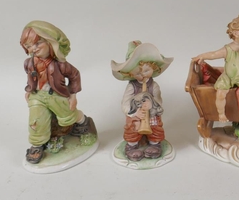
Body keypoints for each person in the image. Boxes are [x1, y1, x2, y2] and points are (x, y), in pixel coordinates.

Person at [20, 21, 93, 164]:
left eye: (38, 43)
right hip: (37, 95)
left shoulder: (60, 64)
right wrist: (29, 90)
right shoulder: (29, 63)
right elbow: (31, 77)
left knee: (67, 117)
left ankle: (83, 122)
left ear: (50, 42)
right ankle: (37, 145)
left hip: (56, 94)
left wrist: (73, 96)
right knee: (35, 120)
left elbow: (75, 75)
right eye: (29, 46)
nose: (34, 49)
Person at [111, 41, 173, 161]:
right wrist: (134, 112)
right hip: (137, 115)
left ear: (153, 68)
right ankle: (132, 146)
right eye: (137, 73)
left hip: (151, 114)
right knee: (132, 128)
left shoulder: (154, 86)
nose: (142, 75)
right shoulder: (132, 86)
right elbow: (125, 103)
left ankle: (154, 144)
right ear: (131, 74)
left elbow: (159, 101)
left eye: (146, 71)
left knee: (156, 126)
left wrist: (152, 104)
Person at [192, 14, 239, 122]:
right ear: (235, 33)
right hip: (228, 77)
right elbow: (214, 54)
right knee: (221, 94)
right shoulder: (228, 49)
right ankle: (221, 114)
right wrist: (202, 56)